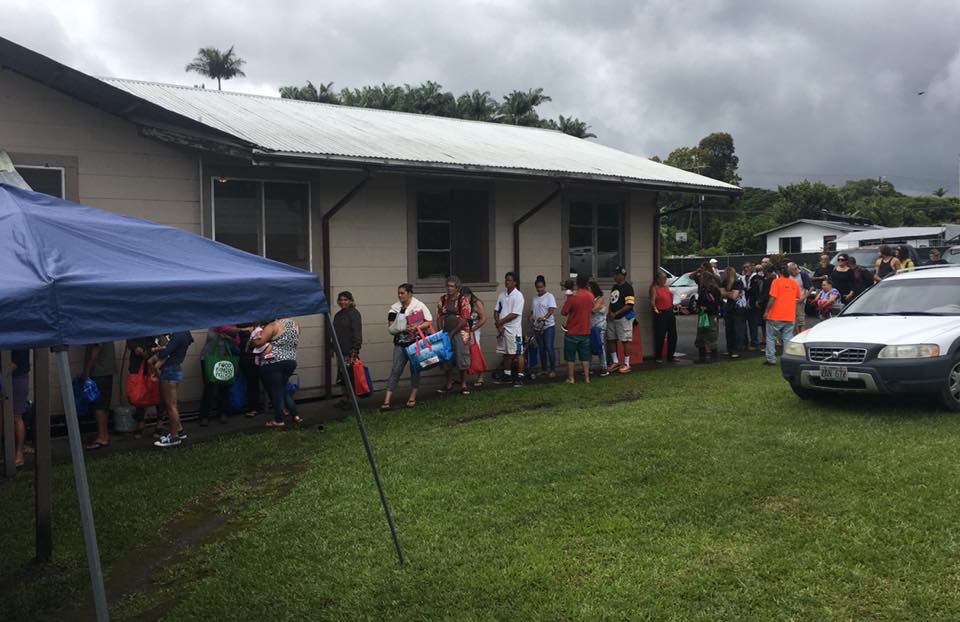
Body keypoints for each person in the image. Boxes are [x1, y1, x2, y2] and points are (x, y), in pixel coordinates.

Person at [382, 283, 433, 409]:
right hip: (400, 343)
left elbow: (428, 321)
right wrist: (403, 327)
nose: (400, 295)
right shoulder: (394, 308)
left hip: (415, 342)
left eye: (402, 293)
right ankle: (386, 400)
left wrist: (417, 327)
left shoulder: (419, 305)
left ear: (410, 293)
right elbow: (391, 327)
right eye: (398, 293)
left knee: (415, 369)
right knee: (396, 369)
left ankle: (412, 397)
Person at [252, 318, 300, 428]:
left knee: (276, 391)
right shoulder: (295, 324)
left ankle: (279, 420)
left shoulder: (273, 325)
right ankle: (295, 415)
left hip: (273, 362)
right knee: (283, 389)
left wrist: (254, 334)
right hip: (291, 361)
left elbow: (258, 343)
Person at [151, 331, 194, 447]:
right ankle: (180, 431)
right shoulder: (185, 334)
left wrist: (157, 350)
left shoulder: (178, 335)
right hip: (175, 369)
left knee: (171, 406)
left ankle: (174, 436)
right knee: (172, 404)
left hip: (169, 371)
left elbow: (164, 353)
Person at [437, 275, 472, 395]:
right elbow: (440, 316)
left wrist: (453, 332)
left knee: (461, 356)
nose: (449, 288)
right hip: (446, 332)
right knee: (447, 357)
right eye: (448, 285)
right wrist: (442, 332)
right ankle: (449, 383)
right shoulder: (443, 299)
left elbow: (465, 318)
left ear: (457, 288)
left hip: (460, 332)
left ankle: (463, 383)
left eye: (452, 286)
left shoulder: (463, 299)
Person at [198, 326, 240, 426]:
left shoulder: (232, 329)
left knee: (224, 386)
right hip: (209, 359)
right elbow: (222, 329)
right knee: (209, 388)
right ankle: (205, 416)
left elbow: (237, 342)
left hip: (225, 359)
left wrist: (230, 338)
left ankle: (223, 413)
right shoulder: (215, 326)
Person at [763, 264, 801, 365]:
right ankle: (788, 358)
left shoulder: (776, 282)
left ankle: (771, 359)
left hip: (775, 315)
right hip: (789, 315)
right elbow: (797, 297)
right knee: (787, 338)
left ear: (779, 273)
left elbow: (772, 298)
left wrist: (766, 311)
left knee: (770, 337)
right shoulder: (794, 283)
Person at [83, 341, 116, 450]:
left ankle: (102, 436)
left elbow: (96, 348)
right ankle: (104, 434)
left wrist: (86, 370)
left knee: (99, 405)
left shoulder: (94, 326)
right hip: (107, 369)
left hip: (99, 371)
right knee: (104, 404)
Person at [561, 274, 594, 383]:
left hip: (572, 331)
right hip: (585, 330)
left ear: (577, 283)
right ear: (587, 283)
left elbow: (564, 312)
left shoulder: (573, 296)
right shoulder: (590, 296)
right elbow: (591, 309)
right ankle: (587, 378)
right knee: (585, 357)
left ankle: (571, 378)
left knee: (570, 357)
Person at [333, 291, 363, 408]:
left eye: (345, 300)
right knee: (342, 376)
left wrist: (355, 349)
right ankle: (344, 398)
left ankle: (352, 401)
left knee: (350, 376)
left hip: (349, 351)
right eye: (341, 300)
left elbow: (357, 333)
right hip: (339, 350)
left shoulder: (354, 314)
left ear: (351, 301)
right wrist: (332, 346)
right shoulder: (338, 315)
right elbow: (336, 333)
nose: (343, 302)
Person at [495, 272, 525, 387]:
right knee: (506, 353)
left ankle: (520, 376)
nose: (507, 282)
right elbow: (496, 310)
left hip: (514, 330)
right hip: (502, 329)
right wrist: (499, 324)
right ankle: (507, 375)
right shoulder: (502, 295)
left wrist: (500, 322)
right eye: (506, 280)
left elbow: (515, 314)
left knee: (518, 353)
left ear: (515, 282)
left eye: (510, 280)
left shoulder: (518, 296)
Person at [1, 350, 30, 466]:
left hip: (17, 377)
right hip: (9, 375)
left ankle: (19, 453)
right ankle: (11, 452)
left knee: (16, 416)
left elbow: (16, 363)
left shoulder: (18, 338)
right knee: (8, 416)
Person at [605, 265, 635, 374]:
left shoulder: (628, 288)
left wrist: (616, 313)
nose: (614, 276)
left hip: (623, 318)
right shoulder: (614, 287)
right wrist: (609, 312)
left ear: (622, 275)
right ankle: (615, 361)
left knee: (625, 340)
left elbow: (630, 304)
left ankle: (627, 363)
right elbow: (612, 301)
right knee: (611, 339)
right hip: (612, 318)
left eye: (616, 274)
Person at [530, 276, 557, 378]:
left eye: (541, 287)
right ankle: (544, 369)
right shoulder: (534, 298)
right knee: (541, 348)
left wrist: (545, 317)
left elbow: (551, 310)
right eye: (537, 287)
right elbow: (532, 312)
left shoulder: (549, 296)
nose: (539, 289)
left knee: (549, 347)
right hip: (538, 327)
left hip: (548, 326)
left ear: (544, 286)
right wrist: (531, 317)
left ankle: (553, 369)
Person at [694, 263, 721, 364]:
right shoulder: (702, 288)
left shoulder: (713, 289)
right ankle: (702, 358)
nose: (699, 279)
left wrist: (706, 307)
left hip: (711, 314)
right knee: (701, 334)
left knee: (711, 334)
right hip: (703, 314)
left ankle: (714, 358)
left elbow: (716, 303)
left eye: (701, 277)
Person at [461, 287, 487, 387]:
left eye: (467, 297)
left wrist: (474, 328)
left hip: (474, 330)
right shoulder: (463, 303)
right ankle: (464, 377)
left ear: (470, 295)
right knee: (465, 352)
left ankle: (481, 376)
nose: (465, 300)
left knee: (477, 351)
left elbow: (483, 318)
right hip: (464, 330)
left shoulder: (477, 303)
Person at [649, 271, 677, 362]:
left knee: (673, 335)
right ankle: (658, 356)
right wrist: (655, 309)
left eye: (665, 278)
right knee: (660, 335)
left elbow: (669, 298)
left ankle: (670, 355)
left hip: (669, 311)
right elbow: (652, 301)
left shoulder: (666, 287)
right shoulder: (654, 288)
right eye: (663, 278)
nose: (665, 280)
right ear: (658, 279)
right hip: (661, 312)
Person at [720, 267, 745, 358]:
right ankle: (730, 349)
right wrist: (729, 293)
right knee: (729, 329)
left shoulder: (738, 282)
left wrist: (726, 293)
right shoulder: (724, 283)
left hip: (738, 308)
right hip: (728, 307)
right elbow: (722, 294)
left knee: (737, 330)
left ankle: (737, 350)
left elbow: (734, 296)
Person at [589, 281, 609, 376]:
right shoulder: (590, 298)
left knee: (600, 345)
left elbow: (594, 309)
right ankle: (589, 367)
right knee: (589, 346)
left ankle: (604, 367)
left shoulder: (599, 299)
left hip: (600, 326)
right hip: (591, 326)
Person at [787, 262, 810, 334]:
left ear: (795, 269)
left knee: (800, 320)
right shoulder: (789, 276)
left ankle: (801, 336)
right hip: (790, 301)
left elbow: (810, 288)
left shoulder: (803, 275)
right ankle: (796, 335)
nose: (790, 273)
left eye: (791, 272)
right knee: (792, 320)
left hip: (800, 301)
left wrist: (803, 298)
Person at [745, 263, 763, 350]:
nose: (745, 269)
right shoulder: (744, 278)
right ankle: (747, 342)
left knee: (753, 324)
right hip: (746, 304)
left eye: (747, 267)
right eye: (744, 267)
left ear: (752, 268)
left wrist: (758, 301)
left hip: (754, 305)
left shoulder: (757, 278)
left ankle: (754, 343)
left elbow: (758, 291)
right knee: (748, 324)